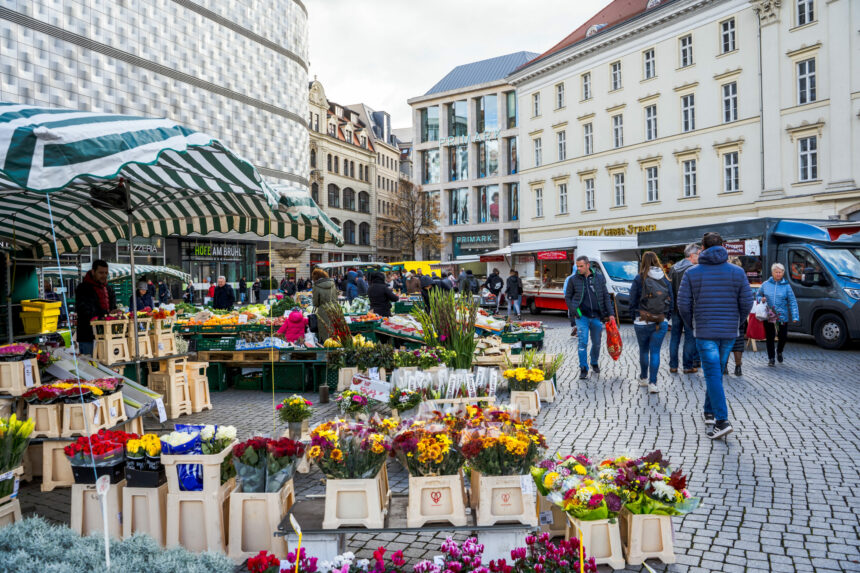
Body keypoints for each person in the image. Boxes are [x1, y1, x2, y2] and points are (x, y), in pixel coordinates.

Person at [678, 232, 753, 440]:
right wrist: (737, 322)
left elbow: (683, 304)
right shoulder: (737, 272)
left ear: (702, 248)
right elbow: (747, 302)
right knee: (716, 372)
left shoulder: (692, 273)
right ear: (723, 246)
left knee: (713, 373)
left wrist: (692, 323)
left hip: (705, 330)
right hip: (728, 330)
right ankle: (709, 412)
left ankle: (722, 421)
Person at [628, 252, 673, 393]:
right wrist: (666, 316)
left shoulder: (639, 278)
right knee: (655, 352)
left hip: (642, 321)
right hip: (661, 321)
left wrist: (633, 316)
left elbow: (632, 299)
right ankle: (653, 383)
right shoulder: (665, 279)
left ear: (643, 262)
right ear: (656, 261)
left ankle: (643, 378)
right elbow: (671, 300)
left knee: (643, 350)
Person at [565, 256, 614, 380]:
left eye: (581, 266)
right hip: (582, 317)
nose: (579, 268)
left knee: (597, 343)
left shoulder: (599, 278)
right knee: (583, 342)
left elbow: (606, 297)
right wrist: (575, 311)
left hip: (597, 316)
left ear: (588, 265)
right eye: (577, 266)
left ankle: (594, 362)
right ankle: (583, 368)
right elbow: (568, 297)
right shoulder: (573, 280)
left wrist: (611, 314)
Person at [757, 262, 799, 367]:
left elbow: (792, 301)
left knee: (783, 337)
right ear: (772, 273)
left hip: (782, 316)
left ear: (783, 273)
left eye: (780, 272)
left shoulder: (787, 286)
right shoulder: (766, 284)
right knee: (770, 337)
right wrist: (760, 299)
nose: (778, 274)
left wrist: (795, 316)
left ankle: (779, 351)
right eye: (776, 272)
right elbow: (757, 295)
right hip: (769, 314)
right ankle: (771, 358)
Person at [668, 243, 701, 374]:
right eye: (699, 254)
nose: (700, 257)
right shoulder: (694, 269)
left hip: (676, 308)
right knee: (690, 337)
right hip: (689, 309)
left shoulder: (674, 267)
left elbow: (670, 289)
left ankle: (673, 365)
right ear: (692, 255)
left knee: (674, 337)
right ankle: (687, 366)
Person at [75, 260, 117, 356]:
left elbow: (113, 307)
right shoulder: (83, 288)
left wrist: (115, 312)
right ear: (93, 272)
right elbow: (85, 311)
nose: (104, 275)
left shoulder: (109, 289)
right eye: (101, 273)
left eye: (106, 273)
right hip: (88, 336)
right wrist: (106, 314)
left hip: (105, 335)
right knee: (89, 366)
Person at [312, 268, 338, 341]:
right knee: (334, 329)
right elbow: (336, 298)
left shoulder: (316, 286)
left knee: (325, 331)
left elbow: (316, 303)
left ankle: (325, 345)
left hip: (323, 311)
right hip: (334, 309)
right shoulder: (332, 283)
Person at [562, 271, 577, 337]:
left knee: (571, 313)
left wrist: (567, 297)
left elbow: (565, 290)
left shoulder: (568, 278)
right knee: (579, 313)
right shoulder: (580, 278)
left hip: (571, 300)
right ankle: (578, 328)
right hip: (578, 302)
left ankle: (574, 326)